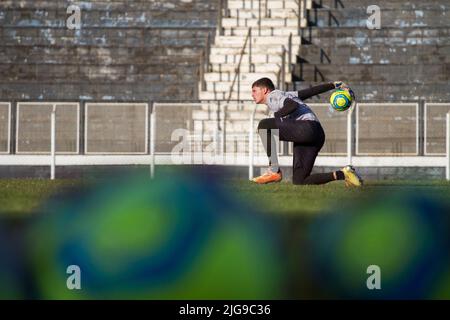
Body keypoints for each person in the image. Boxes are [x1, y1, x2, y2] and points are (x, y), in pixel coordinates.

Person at [250, 77, 363, 186]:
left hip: (306, 129)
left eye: (254, 91)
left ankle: (274, 170)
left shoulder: (272, 96)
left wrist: (275, 116)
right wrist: (334, 85)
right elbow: (309, 92)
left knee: (264, 125)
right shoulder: (286, 95)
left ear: (265, 90)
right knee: (300, 180)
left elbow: (292, 105)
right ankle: (344, 174)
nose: (252, 94)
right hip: (316, 134)